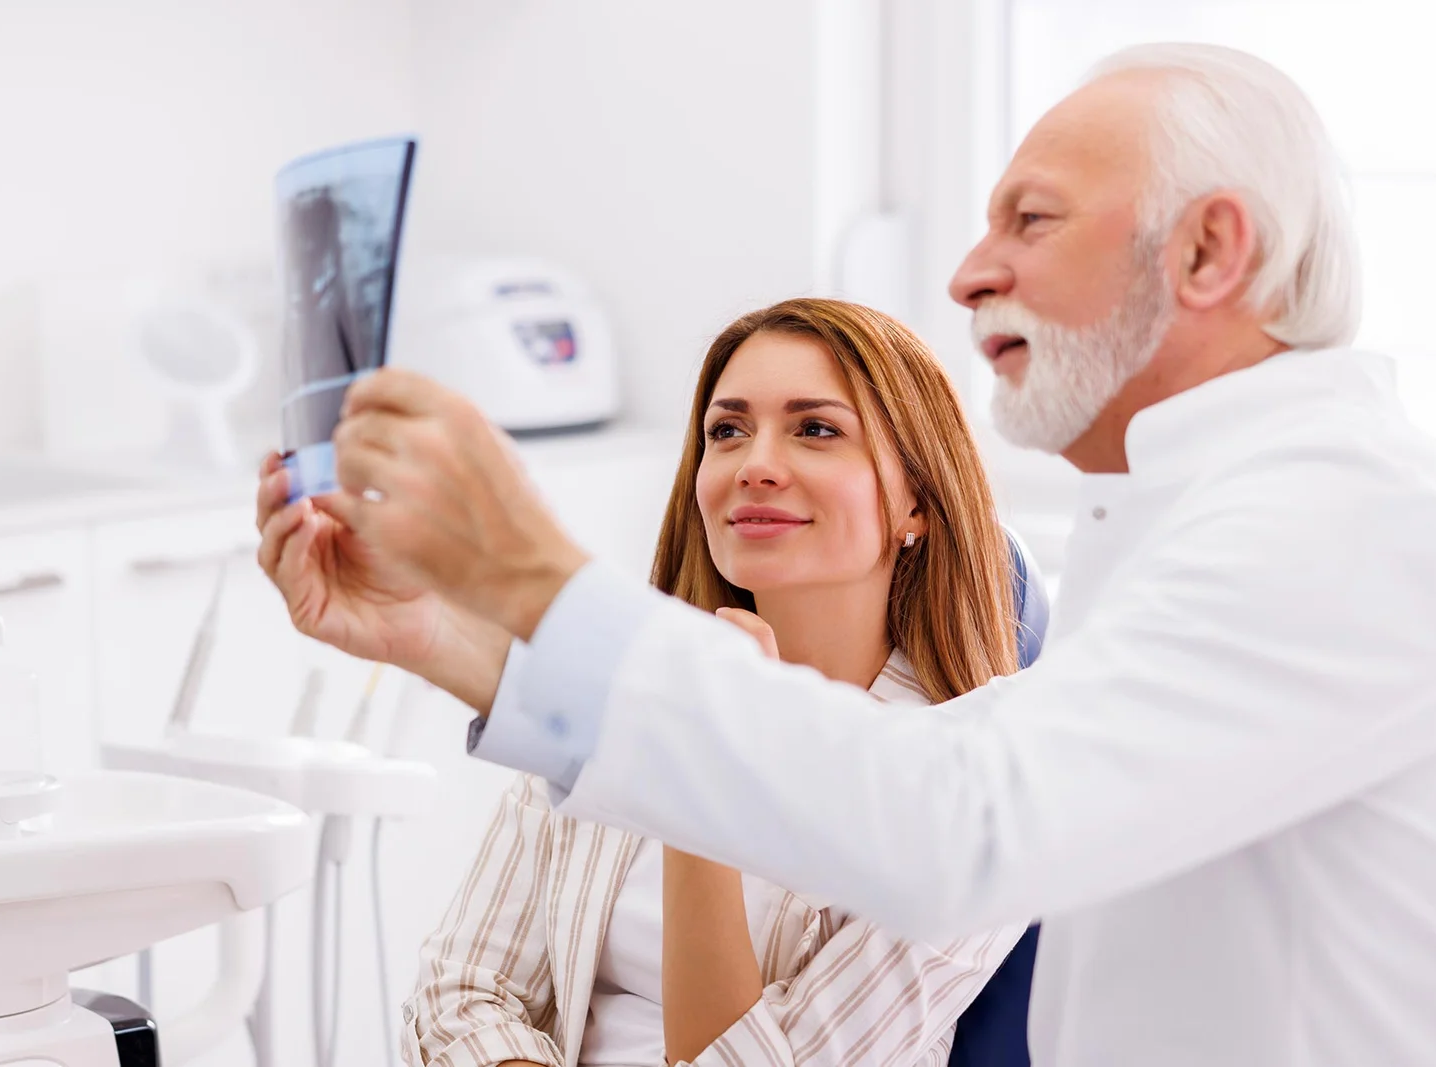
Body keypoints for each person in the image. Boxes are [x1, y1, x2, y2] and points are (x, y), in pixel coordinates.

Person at [257, 43, 1436, 1065]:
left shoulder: (1333, 521)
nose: (967, 270)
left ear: (1210, 249)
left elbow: (958, 825)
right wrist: (458, 639)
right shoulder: (1181, 522)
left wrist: (538, 580)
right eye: (729, 428)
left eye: (1031, 221)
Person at [384, 298, 1029, 1067]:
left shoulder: (972, 794)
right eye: (727, 430)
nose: (755, 462)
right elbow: (459, 994)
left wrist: (700, 761)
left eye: (815, 428)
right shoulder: (618, 690)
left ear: (917, 499)